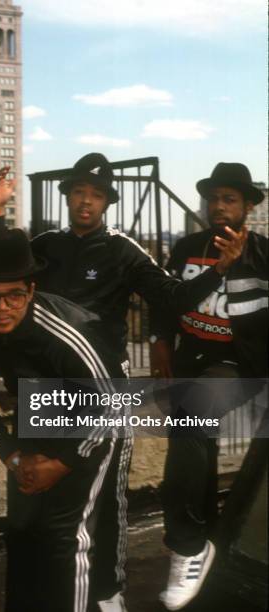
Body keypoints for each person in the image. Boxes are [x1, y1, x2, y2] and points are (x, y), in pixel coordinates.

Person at [0, 153, 249, 607]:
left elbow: (172, 298)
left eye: (96, 195)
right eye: (78, 192)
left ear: (107, 202)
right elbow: (0, 269)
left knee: (105, 504)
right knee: (33, 504)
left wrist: (219, 270)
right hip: (46, 391)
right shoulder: (46, 245)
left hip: (103, 392)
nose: (85, 202)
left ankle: (109, 595)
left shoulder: (124, 250)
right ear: (66, 196)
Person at [0, 224, 131, 612]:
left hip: (95, 408)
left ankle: (100, 598)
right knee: (24, 528)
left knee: (67, 536)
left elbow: (112, 404)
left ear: (31, 290)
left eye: (14, 295)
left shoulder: (70, 332)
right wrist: (12, 455)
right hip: (37, 403)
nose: (1, 309)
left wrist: (63, 463)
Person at [148, 162, 268, 610]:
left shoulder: (263, 255)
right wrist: (160, 342)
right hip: (189, 362)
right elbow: (164, 300)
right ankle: (206, 535)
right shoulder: (186, 248)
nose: (218, 207)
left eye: (230, 199)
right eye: (213, 198)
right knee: (195, 440)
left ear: (248, 207)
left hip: (235, 366)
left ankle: (186, 546)